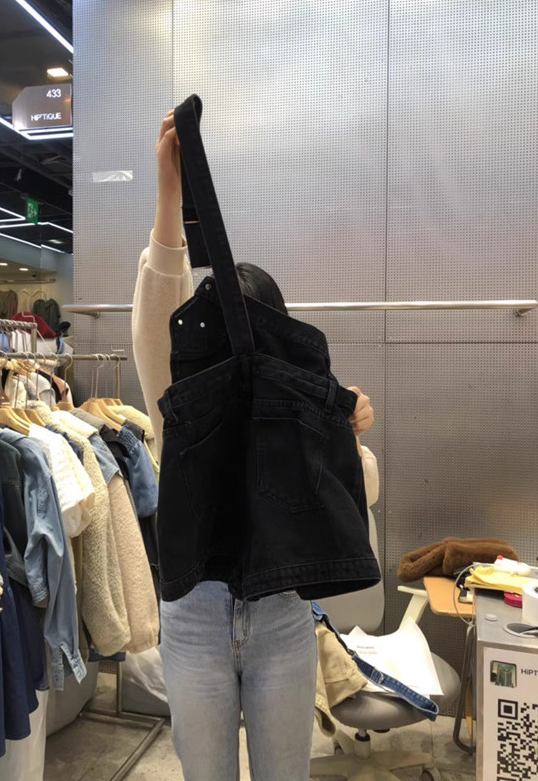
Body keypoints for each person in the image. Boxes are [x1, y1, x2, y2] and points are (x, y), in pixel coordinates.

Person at [132, 111, 376, 781]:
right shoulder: (177, 398)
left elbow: (361, 500)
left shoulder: (296, 406)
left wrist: (346, 437)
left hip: (282, 616)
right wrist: (169, 200)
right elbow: (157, 313)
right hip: (195, 617)